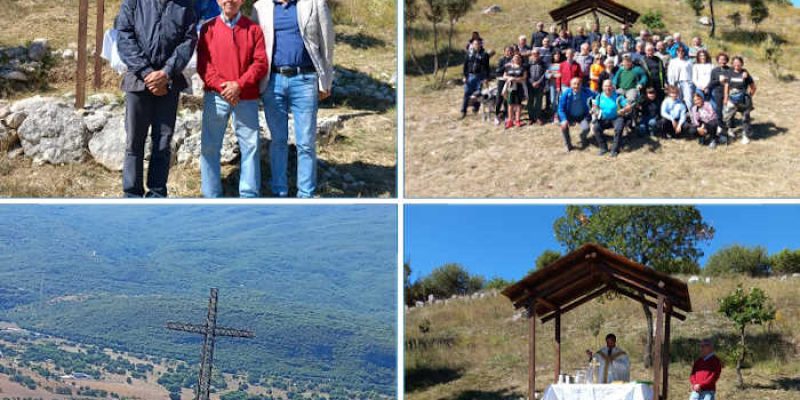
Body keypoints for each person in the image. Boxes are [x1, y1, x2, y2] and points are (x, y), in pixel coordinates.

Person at [251, 0, 335, 198]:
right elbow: (254, 46)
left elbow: (327, 42)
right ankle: (279, 191)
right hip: (273, 81)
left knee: (306, 142)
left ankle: (306, 194)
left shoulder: (314, 3)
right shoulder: (260, 7)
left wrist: (326, 81)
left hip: (305, 79)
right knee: (278, 140)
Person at [116, 0, 198, 198]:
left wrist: (166, 73)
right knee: (134, 141)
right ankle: (132, 195)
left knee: (162, 142)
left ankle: (157, 194)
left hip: (169, 83)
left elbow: (188, 41)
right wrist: (146, 73)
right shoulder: (133, 3)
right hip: (137, 81)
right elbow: (124, 37)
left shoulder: (185, 6)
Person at [197, 0, 268, 198]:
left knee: (251, 147)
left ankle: (249, 195)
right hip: (216, 97)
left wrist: (239, 85)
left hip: (246, 97)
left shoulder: (253, 29)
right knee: (210, 147)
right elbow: (203, 65)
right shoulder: (207, 29)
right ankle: (211, 195)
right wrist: (223, 87)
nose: (230, 1)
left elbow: (260, 63)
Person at [591, 79, 633, 156]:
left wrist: (624, 110)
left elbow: (629, 106)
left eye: (609, 86)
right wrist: (593, 111)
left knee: (619, 128)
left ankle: (615, 149)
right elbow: (595, 107)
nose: (608, 88)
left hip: (616, 118)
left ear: (613, 87)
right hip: (603, 118)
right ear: (602, 87)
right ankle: (603, 148)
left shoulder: (618, 96)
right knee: (596, 128)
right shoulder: (599, 96)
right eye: (606, 86)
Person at [722, 56, 757, 144]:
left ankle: (745, 135)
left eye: (738, 62)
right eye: (735, 62)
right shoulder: (729, 72)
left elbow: (753, 87)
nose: (737, 64)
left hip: (743, 100)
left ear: (742, 63)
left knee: (745, 117)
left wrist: (749, 96)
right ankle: (730, 130)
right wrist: (726, 97)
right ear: (732, 64)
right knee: (728, 116)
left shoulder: (745, 73)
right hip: (731, 99)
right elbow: (727, 86)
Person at [557, 77, 594, 152]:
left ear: (581, 85)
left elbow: (598, 96)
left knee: (586, 128)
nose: (576, 86)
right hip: (569, 116)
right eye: (574, 84)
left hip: (582, 116)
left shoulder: (586, 91)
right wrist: (564, 119)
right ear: (570, 85)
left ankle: (582, 137)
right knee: (563, 126)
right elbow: (560, 108)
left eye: (578, 84)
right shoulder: (566, 94)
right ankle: (568, 145)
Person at [458, 38, 491, 119]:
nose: (477, 45)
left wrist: (486, 78)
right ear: (472, 45)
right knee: (466, 93)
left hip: (479, 76)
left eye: (479, 44)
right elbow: (465, 66)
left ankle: (476, 108)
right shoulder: (469, 53)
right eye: (475, 44)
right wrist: (464, 76)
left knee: (478, 93)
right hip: (470, 76)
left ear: (481, 45)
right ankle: (463, 111)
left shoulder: (484, 54)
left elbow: (487, 67)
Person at [502, 54, 528, 128]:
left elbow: (524, 77)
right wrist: (510, 78)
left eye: (518, 58)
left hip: (519, 87)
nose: (516, 59)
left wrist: (515, 79)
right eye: (515, 58)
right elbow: (504, 76)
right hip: (510, 87)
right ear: (513, 59)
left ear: (520, 59)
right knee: (510, 104)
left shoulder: (523, 68)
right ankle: (510, 120)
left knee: (518, 104)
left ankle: (517, 120)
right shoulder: (508, 67)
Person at [707, 52, 732, 118]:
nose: (722, 61)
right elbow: (711, 83)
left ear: (727, 60)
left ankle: (729, 123)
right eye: (720, 59)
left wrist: (727, 79)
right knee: (719, 109)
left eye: (724, 59)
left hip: (729, 92)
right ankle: (720, 125)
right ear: (718, 60)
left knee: (729, 109)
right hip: (718, 92)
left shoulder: (730, 70)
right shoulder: (714, 70)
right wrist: (719, 81)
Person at [494, 46, 514, 125]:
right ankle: (496, 115)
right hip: (502, 80)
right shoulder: (502, 60)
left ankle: (506, 115)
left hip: (511, 81)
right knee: (499, 98)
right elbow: (497, 71)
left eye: (510, 51)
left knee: (507, 99)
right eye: (507, 51)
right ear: (504, 52)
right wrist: (505, 66)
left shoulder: (514, 59)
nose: (509, 52)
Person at [527, 50, 547, 125]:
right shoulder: (528, 64)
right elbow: (527, 74)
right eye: (534, 53)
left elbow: (545, 74)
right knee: (530, 102)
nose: (535, 55)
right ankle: (531, 118)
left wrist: (538, 82)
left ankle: (537, 117)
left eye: (537, 53)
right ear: (531, 55)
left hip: (540, 85)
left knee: (538, 102)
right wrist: (532, 82)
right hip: (530, 85)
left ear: (539, 54)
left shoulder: (543, 64)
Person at [546, 51, 563, 123]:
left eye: (558, 55)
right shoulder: (550, 65)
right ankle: (554, 115)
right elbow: (547, 75)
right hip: (552, 85)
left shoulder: (563, 64)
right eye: (556, 55)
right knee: (553, 100)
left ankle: (560, 115)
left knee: (560, 99)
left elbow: (562, 74)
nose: (557, 56)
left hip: (561, 84)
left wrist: (553, 73)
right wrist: (554, 74)